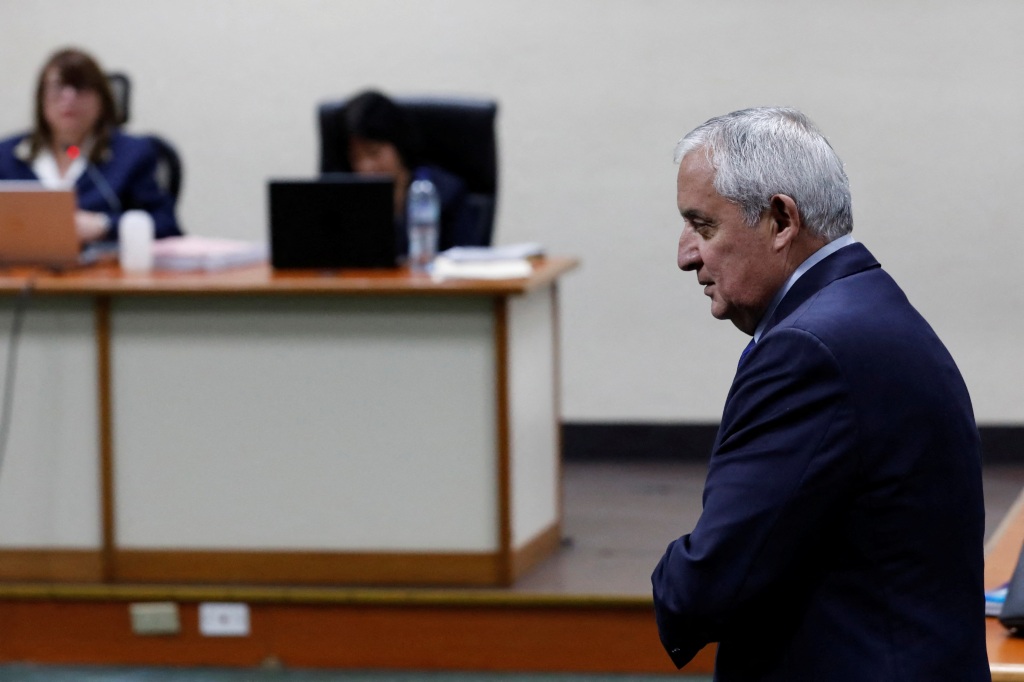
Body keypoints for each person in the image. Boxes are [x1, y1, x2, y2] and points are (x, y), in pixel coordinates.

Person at [650, 107, 989, 681]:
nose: (685, 255)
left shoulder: (808, 351)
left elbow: (707, 585)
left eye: (704, 226)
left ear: (781, 220)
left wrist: (670, 580)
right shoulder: (868, 308)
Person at [0, 47, 181, 245]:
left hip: (101, 271)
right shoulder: (8, 155)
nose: (68, 98)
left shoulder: (132, 154)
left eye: (80, 88)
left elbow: (166, 224)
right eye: (57, 87)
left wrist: (104, 225)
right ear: (41, 98)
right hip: (18, 270)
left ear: (102, 99)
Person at [343, 89, 472, 257]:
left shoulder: (446, 193)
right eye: (355, 158)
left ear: (398, 145)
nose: (365, 167)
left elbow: (467, 262)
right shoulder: (346, 200)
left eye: (373, 152)